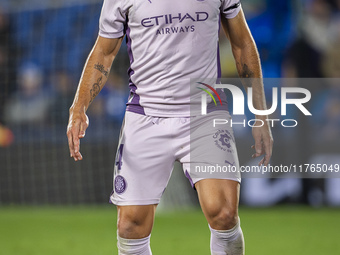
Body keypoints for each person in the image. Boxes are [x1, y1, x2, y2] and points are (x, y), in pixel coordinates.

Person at [67, 0, 273, 254]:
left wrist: (261, 113)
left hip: (205, 113)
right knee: (131, 226)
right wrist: (79, 106)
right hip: (146, 115)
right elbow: (104, 52)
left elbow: (242, 43)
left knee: (224, 213)